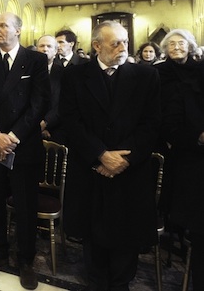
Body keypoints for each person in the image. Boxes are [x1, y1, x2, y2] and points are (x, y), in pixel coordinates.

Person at [60, 20, 160, 291]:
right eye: (115, 43)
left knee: (126, 232)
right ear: (96, 46)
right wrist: (100, 154)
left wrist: (124, 159)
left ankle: (120, 283)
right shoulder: (75, 76)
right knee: (93, 232)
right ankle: (96, 281)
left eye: (125, 41)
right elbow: (70, 121)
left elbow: (151, 124)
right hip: (92, 167)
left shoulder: (145, 76)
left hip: (130, 170)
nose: (122, 47)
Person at [0, 13, 50, 290]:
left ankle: (26, 260)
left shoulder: (36, 60)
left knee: (25, 204)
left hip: (24, 144)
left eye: (3, 26)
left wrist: (13, 137)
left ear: (18, 30)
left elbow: (39, 103)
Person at [155, 29, 204, 290]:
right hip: (176, 141)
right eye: (171, 44)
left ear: (190, 45)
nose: (176, 47)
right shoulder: (159, 72)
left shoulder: (199, 68)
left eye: (181, 43)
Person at [36, 35, 65, 143]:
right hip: (29, 127)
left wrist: (46, 123)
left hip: (55, 129)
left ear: (56, 51)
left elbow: (62, 103)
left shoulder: (63, 74)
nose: (45, 49)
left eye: (49, 46)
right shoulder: (26, 71)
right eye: (41, 46)